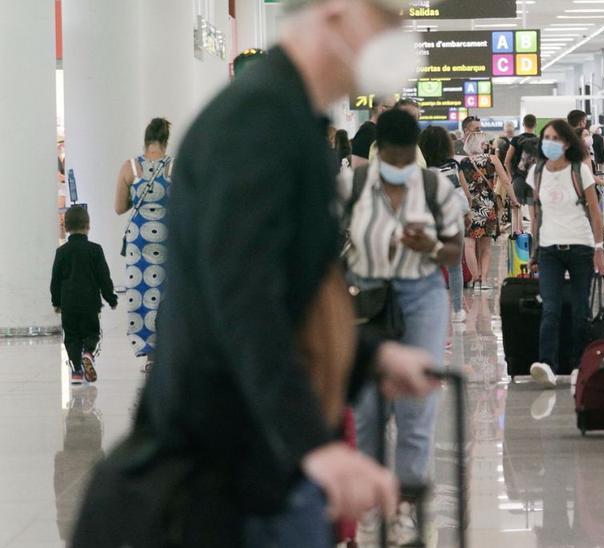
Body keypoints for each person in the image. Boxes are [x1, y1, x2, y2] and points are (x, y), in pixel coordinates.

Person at [71, 2, 439, 544]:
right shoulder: (256, 122)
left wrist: (371, 355)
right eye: (380, 29)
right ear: (335, 14)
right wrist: (316, 445)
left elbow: (288, 296)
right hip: (230, 474)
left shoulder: (289, 117)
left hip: (261, 459)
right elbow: (241, 299)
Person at [343, 108, 465, 542]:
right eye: (390, 159)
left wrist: (431, 245)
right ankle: (377, 503)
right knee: (368, 404)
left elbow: (455, 250)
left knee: (417, 399)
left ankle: (407, 506)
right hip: (365, 296)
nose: (397, 167)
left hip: (422, 295)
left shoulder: (434, 186)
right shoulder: (353, 186)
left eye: (403, 159)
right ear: (378, 152)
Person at [526, 119, 604, 388]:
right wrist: (535, 251)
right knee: (549, 308)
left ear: (566, 142)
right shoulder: (536, 173)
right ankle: (547, 364)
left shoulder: (579, 170)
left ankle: (578, 365)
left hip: (580, 246)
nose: (548, 142)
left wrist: (599, 249)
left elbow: (595, 213)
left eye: (554, 137)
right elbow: (536, 214)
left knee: (579, 309)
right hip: (549, 249)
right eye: (545, 137)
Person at [113, 117, 173, 373]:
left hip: (138, 241)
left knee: (141, 294)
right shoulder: (173, 168)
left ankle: (150, 353)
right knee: (165, 293)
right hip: (166, 238)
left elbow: (119, 208)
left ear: (146, 140)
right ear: (165, 142)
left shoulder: (131, 168)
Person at [51, 206, 118, 385]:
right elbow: (104, 277)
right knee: (91, 332)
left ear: (66, 227)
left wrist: (56, 302)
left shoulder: (61, 252)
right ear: (88, 225)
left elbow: (55, 280)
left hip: (69, 302)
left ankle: (76, 371)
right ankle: (88, 353)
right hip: (90, 302)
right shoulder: (95, 250)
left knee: (72, 337)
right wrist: (111, 298)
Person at [421, 125, 472, 322]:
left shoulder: (422, 168)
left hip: (431, 221)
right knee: (455, 267)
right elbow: (463, 192)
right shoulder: (453, 165)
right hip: (454, 218)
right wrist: (468, 214)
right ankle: (458, 310)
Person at [459, 115, 514, 290]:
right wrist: (514, 200)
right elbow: (505, 181)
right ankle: (483, 280)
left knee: (469, 242)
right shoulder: (492, 159)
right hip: (487, 206)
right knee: (486, 245)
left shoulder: (463, 162)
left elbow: (461, 185)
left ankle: (474, 279)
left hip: (469, 205)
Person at [351, 95, 396, 167]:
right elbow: (358, 168)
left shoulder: (382, 131)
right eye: (393, 108)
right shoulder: (366, 132)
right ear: (381, 108)